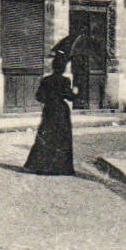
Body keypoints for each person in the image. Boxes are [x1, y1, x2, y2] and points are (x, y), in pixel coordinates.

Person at [23, 35, 80, 176]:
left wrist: (49, 99)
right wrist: (75, 91)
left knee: (46, 137)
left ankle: (40, 166)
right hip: (61, 111)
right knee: (62, 139)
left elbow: (39, 97)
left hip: (49, 110)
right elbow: (70, 97)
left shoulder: (46, 80)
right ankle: (61, 167)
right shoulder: (65, 81)